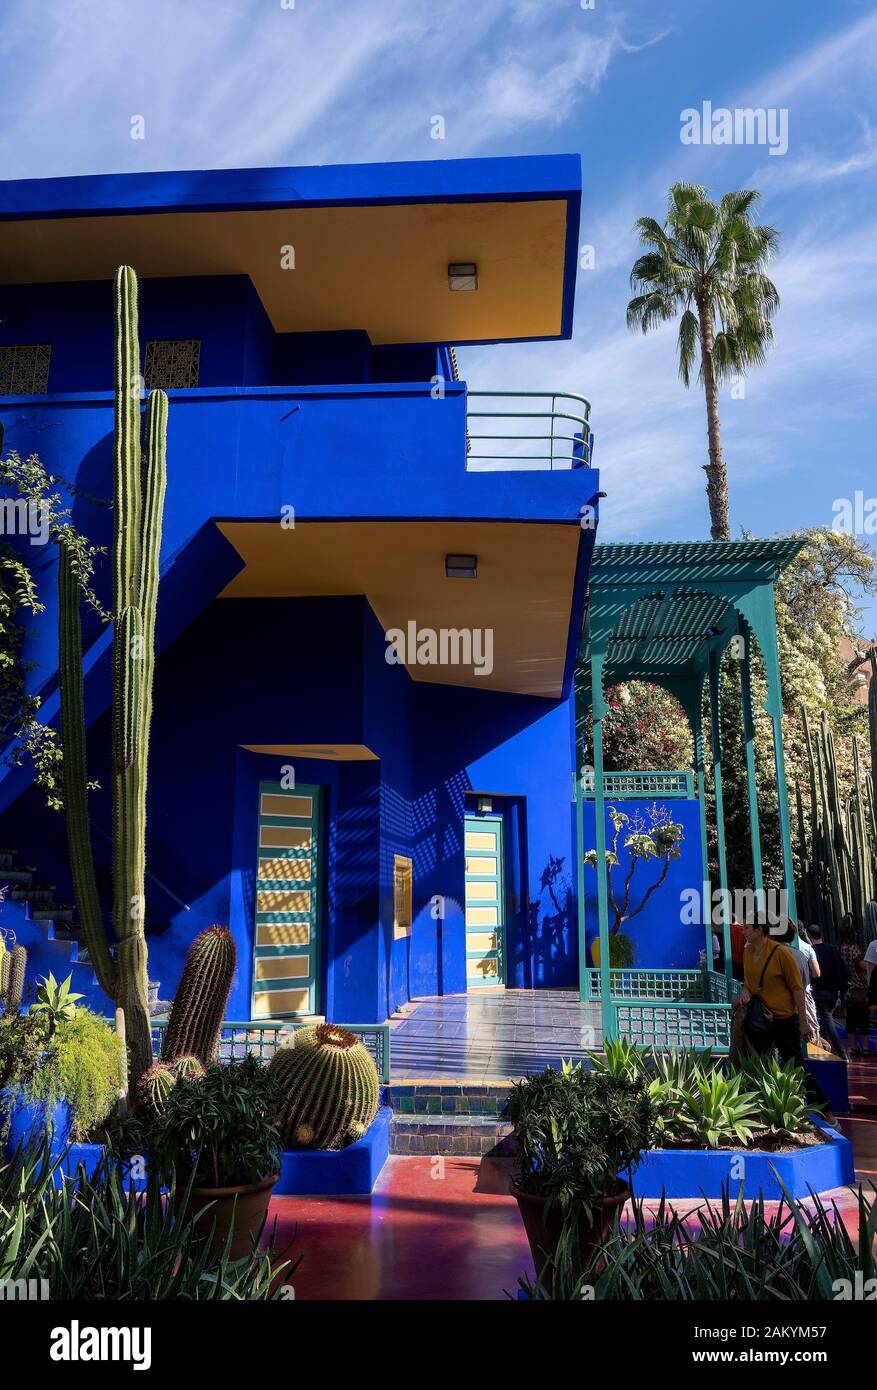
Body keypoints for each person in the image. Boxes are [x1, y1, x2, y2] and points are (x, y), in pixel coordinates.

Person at [740, 918, 833, 1116]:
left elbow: (797, 989)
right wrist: (744, 990)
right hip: (763, 1018)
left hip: (785, 1019)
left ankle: (826, 1111)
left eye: (747, 928)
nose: (743, 931)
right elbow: (748, 981)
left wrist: (805, 1022)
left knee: (796, 1066)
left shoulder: (781, 953)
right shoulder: (748, 953)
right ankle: (769, 1110)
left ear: (759, 930)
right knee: (762, 1064)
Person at [808, 923, 850, 1060]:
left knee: (827, 1020)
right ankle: (825, 1051)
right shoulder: (832, 949)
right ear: (822, 935)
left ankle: (841, 1052)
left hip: (819, 991)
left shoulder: (810, 951)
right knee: (826, 1020)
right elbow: (844, 970)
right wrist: (841, 988)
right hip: (833, 992)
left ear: (809, 936)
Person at [838, 919, 870, 1057]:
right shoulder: (854, 948)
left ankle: (853, 1047)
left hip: (847, 989)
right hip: (859, 988)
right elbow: (862, 966)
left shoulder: (839, 948)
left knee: (850, 1020)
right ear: (852, 935)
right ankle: (865, 1047)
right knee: (863, 1020)